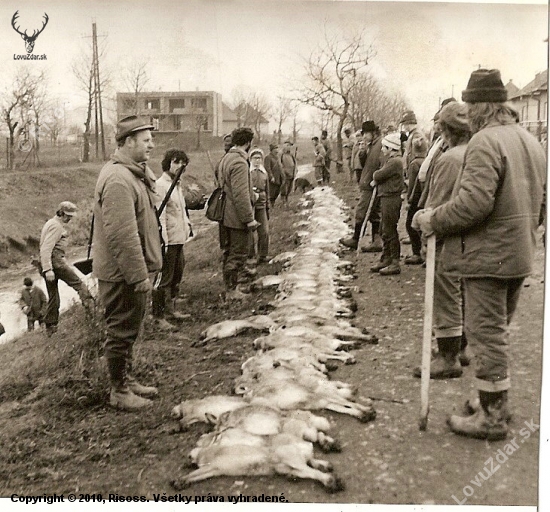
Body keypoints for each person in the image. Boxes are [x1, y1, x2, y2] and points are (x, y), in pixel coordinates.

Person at [413, 69, 546, 440]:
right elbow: (542, 202)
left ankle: (492, 417)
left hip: (488, 258)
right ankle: (491, 398)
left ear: (478, 106)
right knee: (496, 332)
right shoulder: (529, 140)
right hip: (519, 254)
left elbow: (473, 204)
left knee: (486, 335)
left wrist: (431, 219)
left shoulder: (485, 142)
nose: (467, 113)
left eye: (469, 104)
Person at [93, 115, 163, 411]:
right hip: (121, 273)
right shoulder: (119, 179)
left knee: (129, 327)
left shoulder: (133, 173)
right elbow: (123, 236)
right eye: (146, 140)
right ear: (129, 141)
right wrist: (138, 277)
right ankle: (119, 391)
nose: (152, 145)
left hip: (127, 271)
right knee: (121, 329)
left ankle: (127, 379)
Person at [412, 101, 472, 380]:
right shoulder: (476, 152)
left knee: (446, 292)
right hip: (471, 237)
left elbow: (439, 201)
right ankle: (460, 348)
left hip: (450, 235)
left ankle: (448, 357)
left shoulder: (450, 158)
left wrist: (423, 221)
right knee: (463, 293)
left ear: (447, 130)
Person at [152, 149, 198, 330]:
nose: (179, 166)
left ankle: (172, 309)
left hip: (179, 237)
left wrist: (187, 229)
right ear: (167, 164)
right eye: (176, 162)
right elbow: (160, 214)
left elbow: (181, 211)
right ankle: (158, 316)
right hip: (168, 238)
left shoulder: (177, 184)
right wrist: (162, 240)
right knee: (164, 276)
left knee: (178, 271)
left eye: (182, 163)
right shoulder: (161, 185)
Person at [39, 201, 94, 337]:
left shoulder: (50, 223)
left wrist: (46, 268)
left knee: (53, 297)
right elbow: (46, 248)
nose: (69, 218)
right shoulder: (56, 226)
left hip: (50, 264)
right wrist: (48, 269)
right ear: (61, 213)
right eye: (68, 216)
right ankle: (93, 315)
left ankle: (51, 328)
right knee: (80, 285)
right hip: (55, 264)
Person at [218, 127, 260, 300]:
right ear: (249, 143)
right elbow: (240, 194)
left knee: (229, 251)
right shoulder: (240, 162)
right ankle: (231, 291)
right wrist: (249, 219)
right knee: (238, 252)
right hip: (236, 217)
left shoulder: (226, 158)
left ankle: (231, 287)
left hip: (225, 214)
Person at [340, 121, 382, 250]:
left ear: (373, 133)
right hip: (368, 182)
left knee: (361, 211)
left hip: (372, 184)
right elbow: (366, 164)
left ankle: (356, 239)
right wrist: (362, 153)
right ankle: (377, 241)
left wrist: (378, 179)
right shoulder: (371, 145)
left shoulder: (381, 145)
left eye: (366, 134)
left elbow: (382, 164)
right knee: (374, 213)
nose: (363, 136)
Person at [369, 132, 404, 275]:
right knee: (385, 229)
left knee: (389, 229)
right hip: (387, 197)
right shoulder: (391, 161)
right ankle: (386, 258)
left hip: (391, 199)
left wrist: (376, 178)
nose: (382, 149)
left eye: (385, 147)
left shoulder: (395, 162)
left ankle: (395, 262)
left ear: (391, 148)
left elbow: (378, 175)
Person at [403, 131, 428, 265]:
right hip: (423, 198)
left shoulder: (414, 164)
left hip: (415, 198)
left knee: (410, 225)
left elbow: (412, 184)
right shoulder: (426, 162)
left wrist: (409, 200)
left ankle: (416, 253)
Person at [248, 148, 270, 264]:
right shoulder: (248, 172)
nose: (257, 161)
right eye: (255, 158)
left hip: (261, 203)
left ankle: (263, 255)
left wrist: (267, 205)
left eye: (259, 158)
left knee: (264, 231)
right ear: (250, 159)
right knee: (250, 232)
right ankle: (250, 256)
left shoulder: (264, 173)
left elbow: (267, 190)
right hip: (250, 204)